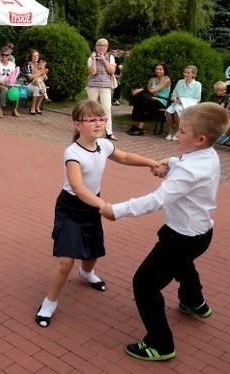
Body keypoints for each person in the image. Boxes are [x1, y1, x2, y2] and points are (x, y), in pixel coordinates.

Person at [100, 103, 228, 361]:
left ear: (200, 139)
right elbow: (184, 163)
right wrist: (168, 161)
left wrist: (116, 210)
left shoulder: (190, 170)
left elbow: (158, 199)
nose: (177, 135)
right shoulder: (207, 155)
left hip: (181, 238)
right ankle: (194, 302)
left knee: (145, 284)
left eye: (182, 131)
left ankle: (160, 343)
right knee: (184, 265)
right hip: (199, 234)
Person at [34, 100, 161, 328]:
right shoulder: (73, 152)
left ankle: (86, 273)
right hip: (71, 207)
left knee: (92, 249)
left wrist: (151, 163)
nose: (98, 123)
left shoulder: (104, 145)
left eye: (101, 118)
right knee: (65, 261)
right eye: (91, 120)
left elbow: (124, 157)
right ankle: (49, 303)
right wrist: (103, 206)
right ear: (78, 124)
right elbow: (78, 187)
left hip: (92, 205)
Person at [127, 63, 171, 135]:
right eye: (156, 69)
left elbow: (155, 90)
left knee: (142, 101)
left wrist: (140, 90)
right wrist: (146, 93)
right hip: (151, 98)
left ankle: (140, 128)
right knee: (139, 101)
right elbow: (149, 90)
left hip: (161, 101)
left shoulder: (167, 79)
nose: (158, 71)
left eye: (160, 69)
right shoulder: (152, 79)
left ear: (164, 70)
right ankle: (134, 126)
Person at [86, 38, 117, 140]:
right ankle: (90, 129)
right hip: (93, 86)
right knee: (91, 109)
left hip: (105, 86)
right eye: (99, 45)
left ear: (107, 47)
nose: (101, 47)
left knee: (106, 109)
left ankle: (109, 132)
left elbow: (112, 71)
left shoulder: (110, 57)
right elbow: (93, 72)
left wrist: (104, 60)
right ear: (96, 46)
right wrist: (94, 59)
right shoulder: (91, 58)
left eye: (104, 46)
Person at [164, 65, 201, 141]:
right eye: (185, 72)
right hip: (177, 103)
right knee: (168, 112)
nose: (185, 74)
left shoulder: (197, 85)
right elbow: (174, 93)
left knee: (177, 111)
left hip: (189, 105)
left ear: (193, 75)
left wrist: (182, 100)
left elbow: (197, 99)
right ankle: (170, 132)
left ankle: (178, 132)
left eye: (188, 73)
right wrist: (174, 97)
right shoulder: (180, 82)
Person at [0, 47, 19, 118]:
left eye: (6, 55)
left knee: (15, 90)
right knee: (5, 89)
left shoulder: (12, 65)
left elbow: (13, 76)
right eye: (2, 54)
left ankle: (14, 109)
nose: (4, 56)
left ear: (9, 56)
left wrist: (11, 84)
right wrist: (4, 84)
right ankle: (0, 109)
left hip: (9, 83)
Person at [22, 50, 47, 115]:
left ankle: (37, 107)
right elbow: (30, 77)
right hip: (26, 83)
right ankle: (32, 108)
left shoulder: (39, 65)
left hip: (35, 82)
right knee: (37, 89)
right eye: (34, 56)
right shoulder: (27, 65)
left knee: (43, 89)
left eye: (37, 55)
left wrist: (44, 73)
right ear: (31, 57)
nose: (36, 57)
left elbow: (45, 78)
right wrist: (41, 73)